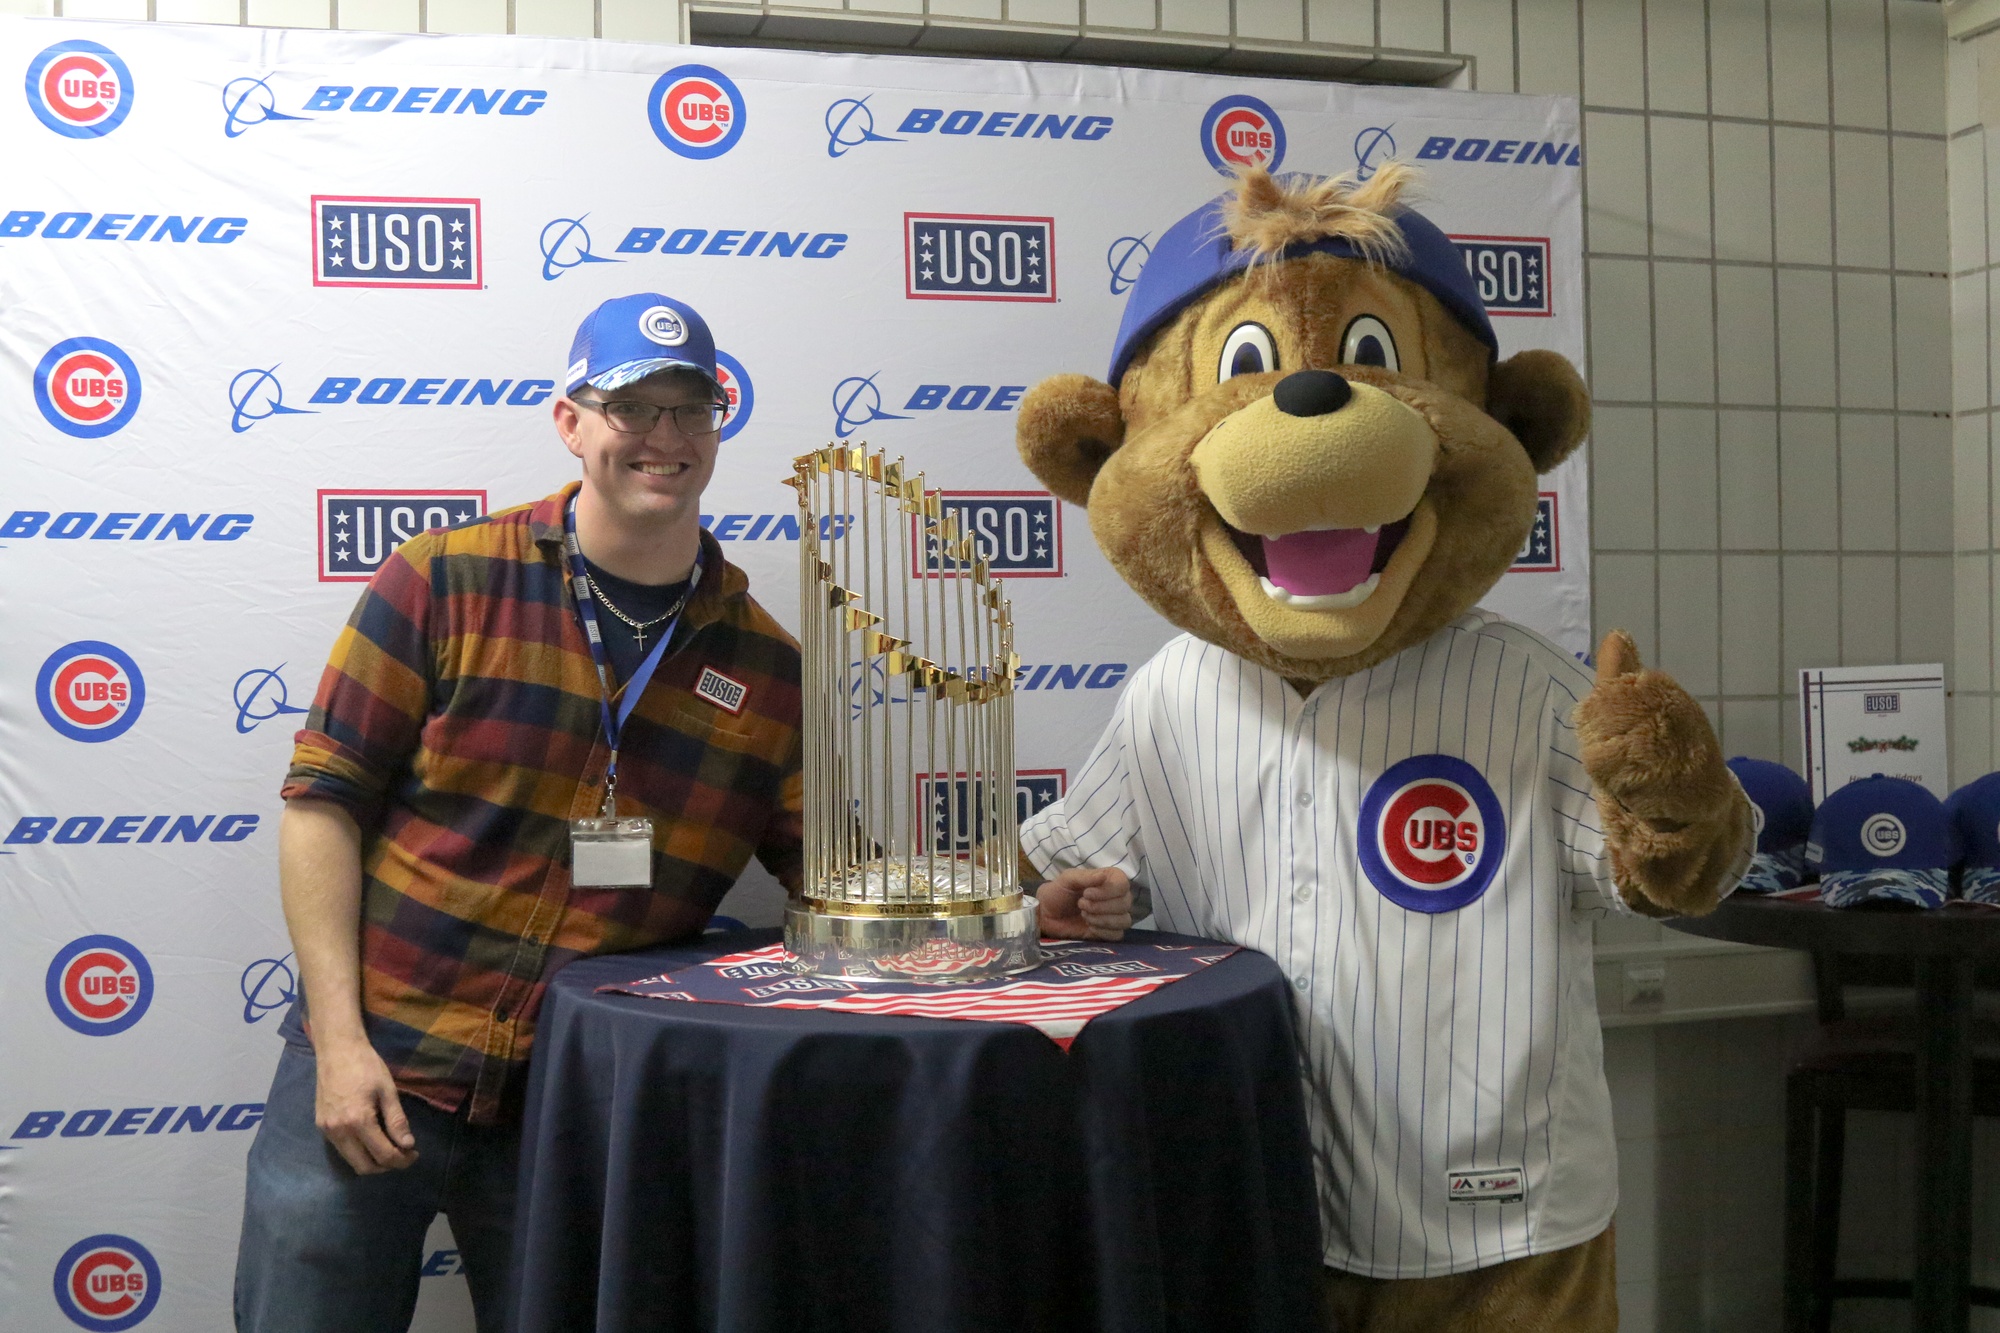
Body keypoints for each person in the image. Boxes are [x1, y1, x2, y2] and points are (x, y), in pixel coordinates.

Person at [233, 292, 1133, 1333]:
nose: (662, 438)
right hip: (371, 1063)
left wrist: (1024, 915)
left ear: (715, 428)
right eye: (632, 408)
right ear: (571, 423)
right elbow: (320, 807)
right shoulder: (444, 579)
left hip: (574, 1110)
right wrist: (339, 1044)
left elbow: (839, 889)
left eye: (689, 410)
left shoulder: (766, 668)